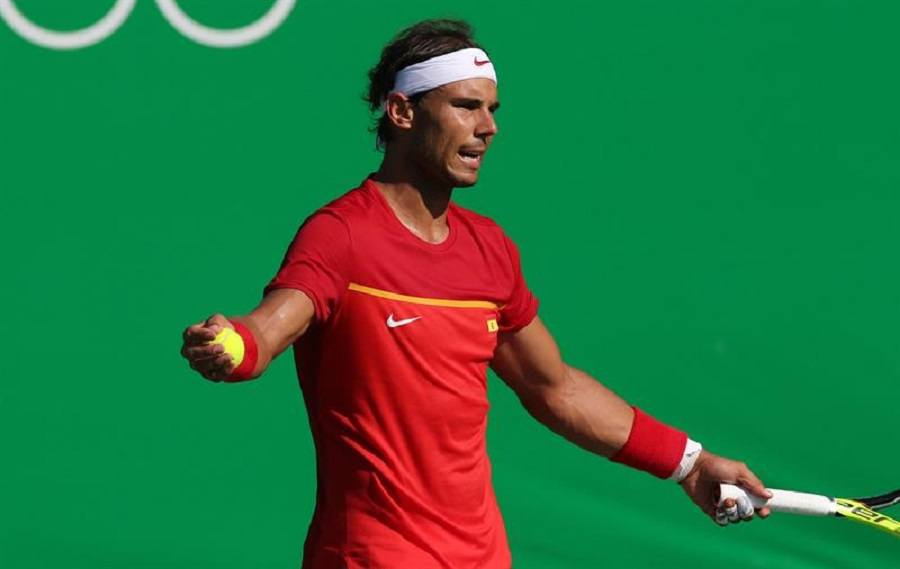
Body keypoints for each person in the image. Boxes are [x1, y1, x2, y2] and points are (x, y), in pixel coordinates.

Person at [180, 19, 771, 569]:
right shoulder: (342, 235)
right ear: (403, 112)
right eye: (465, 107)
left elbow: (554, 387)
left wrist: (689, 464)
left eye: (491, 109)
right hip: (372, 556)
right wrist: (232, 344)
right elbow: (269, 327)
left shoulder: (489, 249)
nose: (488, 127)